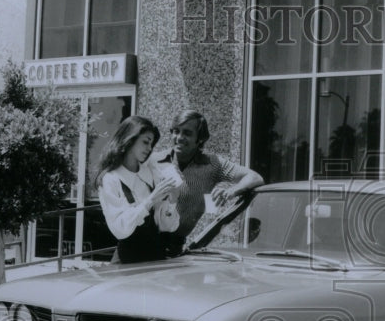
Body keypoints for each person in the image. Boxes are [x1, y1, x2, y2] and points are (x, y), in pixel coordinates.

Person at [151, 109, 264, 247]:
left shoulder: (212, 165)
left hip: (175, 247)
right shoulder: (155, 161)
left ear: (200, 139)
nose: (179, 137)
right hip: (144, 241)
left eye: (187, 133)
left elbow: (255, 177)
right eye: (176, 131)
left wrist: (232, 191)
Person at [95, 116, 182, 264]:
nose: (149, 148)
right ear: (129, 139)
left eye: (151, 144)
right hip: (128, 262)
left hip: (156, 258)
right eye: (145, 142)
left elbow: (168, 227)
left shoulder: (151, 172)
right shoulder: (110, 179)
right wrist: (150, 201)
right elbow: (119, 229)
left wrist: (172, 202)